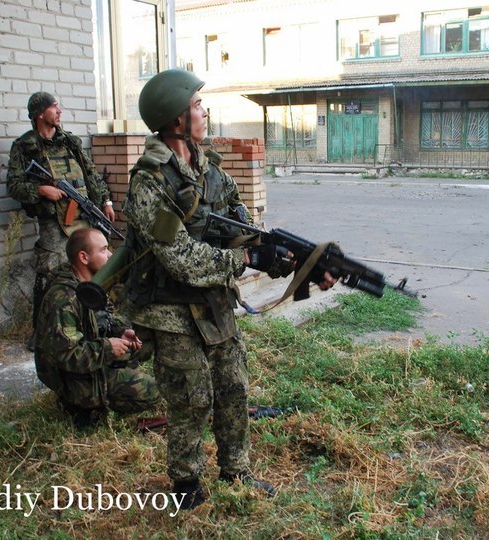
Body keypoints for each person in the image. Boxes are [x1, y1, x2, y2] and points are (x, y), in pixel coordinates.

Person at [122, 68, 337, 509]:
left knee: (234, 386)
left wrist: (297, 261)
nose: (205, 110)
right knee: (191, 398)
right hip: (169, 307)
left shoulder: (210, 167)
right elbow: (179, 257)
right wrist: (242, 260)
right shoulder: (149, 182)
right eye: (198, 104)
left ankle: (236, 471)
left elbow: (242, 227)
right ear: (176, 117)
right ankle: (186, 485)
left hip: (212, 301)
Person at [6, 92, 115, 350]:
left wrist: (106, 202)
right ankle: (42, 332)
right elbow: (14, 185)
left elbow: (91, 174)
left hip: (84, 217)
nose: (59, 111)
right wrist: (42, 191)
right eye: (54, 107)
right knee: (50, 275)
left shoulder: (70, 142)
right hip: (54, 223)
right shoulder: (25, 146)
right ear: (40, 114)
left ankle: (95, 323)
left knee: (93, 270)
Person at [34, 227, 160, 428]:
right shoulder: (64, 298)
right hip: (73, 378)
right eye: (102, 250)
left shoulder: (92, 285)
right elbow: (64, 356)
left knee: (140, 349)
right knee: (154, 392)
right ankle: (81, 406)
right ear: (84, 257)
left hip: (90, 363)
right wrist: (108, 348)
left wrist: (120, 332)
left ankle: (103, 393)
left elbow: (105, 318)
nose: (110, 255)